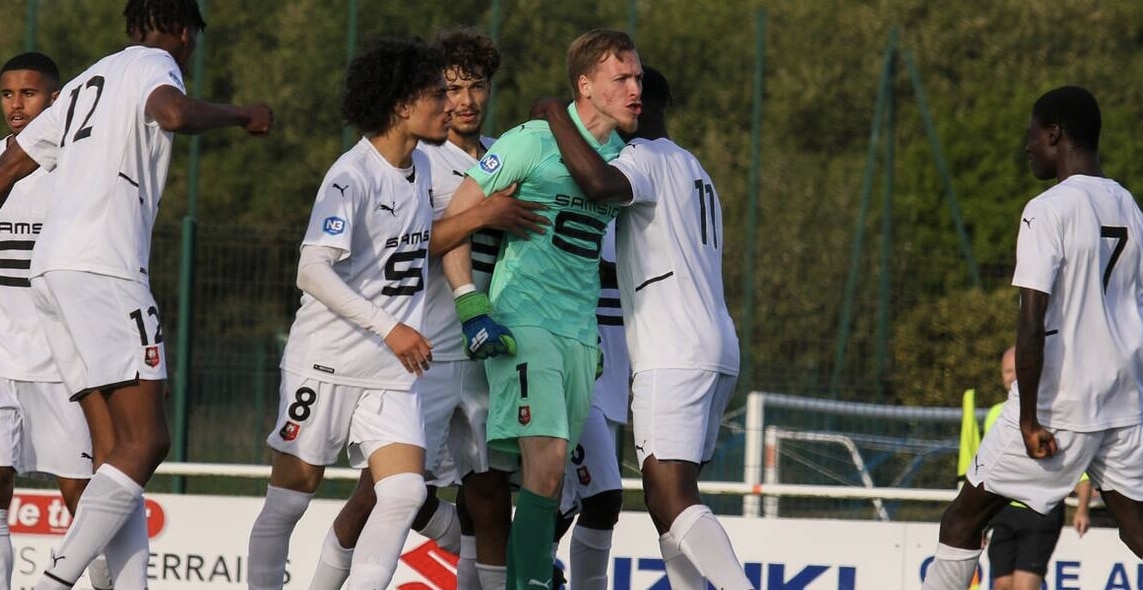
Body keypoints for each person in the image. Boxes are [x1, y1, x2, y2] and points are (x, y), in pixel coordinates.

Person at [0, 2, 273, 588]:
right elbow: (172, 113)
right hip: (106, 267)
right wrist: (241, 113)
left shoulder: (84, 82)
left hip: (51, 274)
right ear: (184, 33)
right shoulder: (155, 64)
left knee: (113, 455)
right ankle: (53, 581)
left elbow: (10, 166)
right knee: (148, 440)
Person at [307, 29, 545, 590]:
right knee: (379, 492)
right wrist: (484, 214)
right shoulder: (421, 158)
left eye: (476, 86)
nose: (465, 101)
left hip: (485, 352)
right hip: (424, 351)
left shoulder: (505, 157)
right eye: (451, 89)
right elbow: (411, 244)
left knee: (489, 495)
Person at [244, 37, 453, 590]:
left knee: (404, 492)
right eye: (438, 94)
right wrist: (391, 326)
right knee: (290, 500)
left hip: (390, 370)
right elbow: (311, 270)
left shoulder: (424, 165)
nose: (450, 104)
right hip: (326, 362)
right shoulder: (351, 176)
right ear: (402, 105)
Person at [533, 65, 752, 590]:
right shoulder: (692, 165)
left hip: (673, 351)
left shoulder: (644, 157)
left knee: (672, 498)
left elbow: (596, 182)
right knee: (666, 504)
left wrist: (555, 116)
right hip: (716, 345)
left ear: (635, 100)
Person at [439, 28, 641, 590]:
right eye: (621, 78)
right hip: (523, 324)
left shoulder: (625, 160)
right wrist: (472, 305)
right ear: (586, 85)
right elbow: (456, 220)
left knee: (554, 489)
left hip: (579, 337)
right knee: (544, 467)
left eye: (638, 78)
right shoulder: (529, 140)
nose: (635, 89)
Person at [920, 86, 1143, 589]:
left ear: (1055, 135)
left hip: (1061, 402)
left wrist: (1027, 418)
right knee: (1136, 528)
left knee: (962, 520)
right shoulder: (1129, 206)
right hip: (1123, 398)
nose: (1027, 147)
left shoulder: (1048, 208)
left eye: (1032, 136)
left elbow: (1032, 318)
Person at [0, 51, 113, 590]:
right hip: (2, 361)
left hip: (61, 366)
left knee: (83, 497)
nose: (17, 106)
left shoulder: (77, 169)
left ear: (56, 98)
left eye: (29, 94)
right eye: (7, 94)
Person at [553, 222, 628, 590]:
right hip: (577, 370)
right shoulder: (581, 200)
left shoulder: (633, 210)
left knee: (564, 505)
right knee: (603, 498)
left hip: (612, 381)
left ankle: (529, 572)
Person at [982, 347, 1066, 590]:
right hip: (1004, 509)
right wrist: (981, 521)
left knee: (1024, 586)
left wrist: (1082, 506)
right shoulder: (995, 414)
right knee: (1002, 585)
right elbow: (987, 466)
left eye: (1016, 371)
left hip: (1038, 510)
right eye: (1007, 371)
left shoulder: (1050, 412)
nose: (1012, 377)